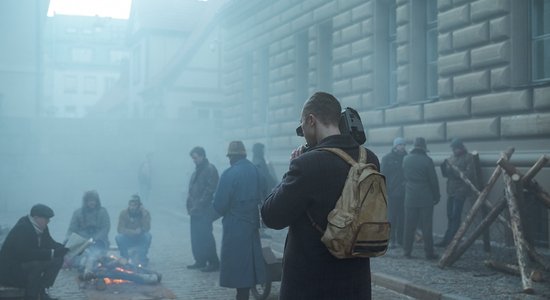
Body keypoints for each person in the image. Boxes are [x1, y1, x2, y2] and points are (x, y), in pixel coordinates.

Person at [261, 92, 380, 299]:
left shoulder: (306, 164)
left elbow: (271, 215)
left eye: (302, 127)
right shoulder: (368, 158)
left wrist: (291, 170)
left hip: (311, 285)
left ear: (311, 120)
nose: (303, 133)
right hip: (355, 283)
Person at [213, 141, 266, 300]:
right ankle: (244, 294)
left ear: (231, 157)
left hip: (235, 226)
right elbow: (265, 191)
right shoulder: (256, 171)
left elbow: (220, 204)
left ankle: (241, 296)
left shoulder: (229, 174)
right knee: (249, 263)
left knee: (239, 267)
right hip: (251, 224)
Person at [0, 204, 68, 300]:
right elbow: (25, 254)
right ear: (36, 217)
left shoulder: (42, 228)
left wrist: (67, 248)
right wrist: (52, 253)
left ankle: (42, 289)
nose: (48, 221)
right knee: (37, 264)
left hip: (24, 266)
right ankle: (31, 296)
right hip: (12, 270)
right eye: (46, 218)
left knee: (57, 259)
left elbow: (50, 243)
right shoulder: (22, 228)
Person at [402, 137, 440, 260]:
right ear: (424, 147)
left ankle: (406, 251)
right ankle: (429, 252)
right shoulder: (427, 161)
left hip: (410, 196)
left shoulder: (406, 159)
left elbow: (404, 176)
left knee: (409, 225)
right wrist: (436, 196)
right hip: (425, 197)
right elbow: (433, 181)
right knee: (427, 227)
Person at [436, 138, 477, 247]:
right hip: (451, 190)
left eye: (456, 148)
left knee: (455, 216)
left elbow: (469, 174)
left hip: (460, 191)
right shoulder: (451, 158)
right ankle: (447, 239)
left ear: (461, 147)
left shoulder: (468, 158)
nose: (454, 151)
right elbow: (447, 174)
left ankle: (452, 240)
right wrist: (445, 168)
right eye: (453, 149)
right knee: (450, 215)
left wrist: (455, 172)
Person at [186, 146, 220, 272]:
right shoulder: (197, 171)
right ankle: (200, 260)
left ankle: (213, 262)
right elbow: (192, 190)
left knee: (206, 237)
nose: (193, 160)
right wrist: (190, 205)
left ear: (202, 156)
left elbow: (210, 190)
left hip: (204, 210)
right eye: (192, 158)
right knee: (196, 237)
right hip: (195, 210)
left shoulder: (210, 169)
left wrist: (199, 204)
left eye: (195, 158)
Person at [66, 190, 110, 270]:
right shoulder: (77, 213)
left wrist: (95, 238)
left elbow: (105, 228)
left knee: (95, 253)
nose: (92, 203)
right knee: (76, 254)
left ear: (97, 201)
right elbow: (71, 229)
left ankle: (91, 263)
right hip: (82, 240)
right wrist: (68, 239)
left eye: (94, 200)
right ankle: (81, 263)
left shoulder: (103, 212)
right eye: (90, 201)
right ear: (86, 202)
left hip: (98, 240)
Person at [381, 137, 407, 248]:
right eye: (400, 144)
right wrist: (386, 190)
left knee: (402, 217)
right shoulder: (387, 158)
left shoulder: (407, 157)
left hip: (405, 193)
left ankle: (400, 239)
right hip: (392, 193)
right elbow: (383, 175)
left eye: (403, 144)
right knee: (392, 217)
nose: (402, 146)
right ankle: (392, 240)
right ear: (395, 146)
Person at [115, 195, 152, 266]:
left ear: (139, 206)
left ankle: (142, 258)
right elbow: (120, 229)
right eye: (131, 205)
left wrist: (144, 215)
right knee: (118, 237)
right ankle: (125, 257)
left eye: (134, 205)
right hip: (128, 238)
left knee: (148, 236)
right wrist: (132, 232)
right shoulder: (123, 213)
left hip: (140, 238)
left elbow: (147, 228)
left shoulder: (145, 213)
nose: (132, 207)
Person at [252, 142, 278, 238]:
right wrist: (273, 182)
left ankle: (261, 231)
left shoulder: (258, 160)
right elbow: (264, 176)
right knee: (262, 209)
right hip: (261, 191)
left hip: (262, 190)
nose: (263, 151)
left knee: (262, 209)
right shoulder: (258, 161)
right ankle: (261, 232)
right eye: (262, 150)